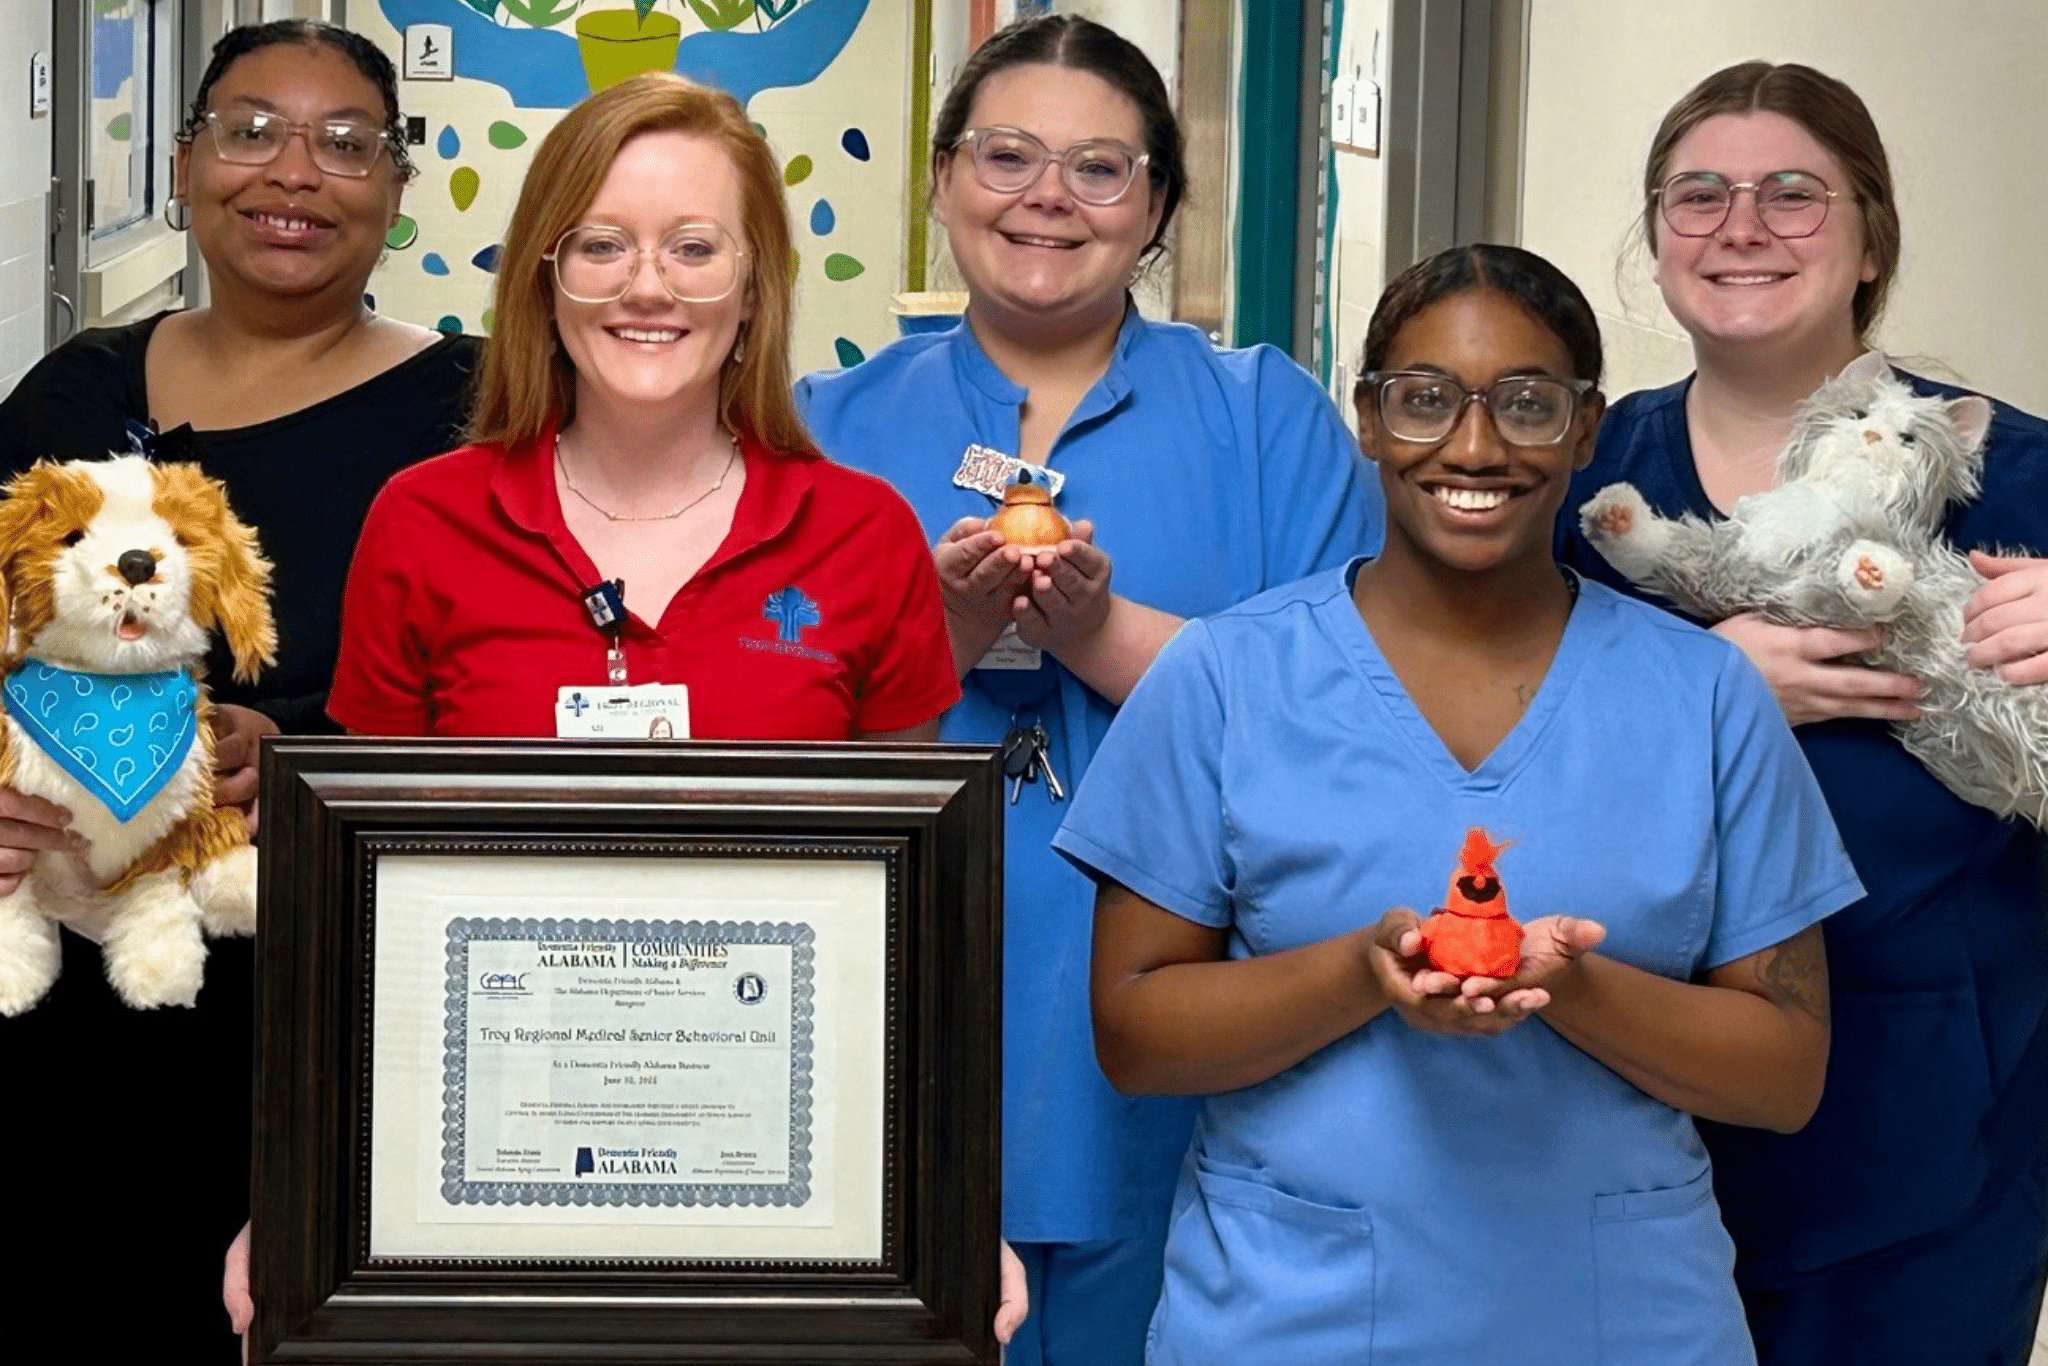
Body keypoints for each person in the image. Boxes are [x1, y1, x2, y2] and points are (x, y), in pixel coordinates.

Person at [1055, 243, 1863, 1364]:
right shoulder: (1222, 681)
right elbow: (1133, 1034)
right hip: (1291, 1321)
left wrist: (1566, 982)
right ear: (1369, 420)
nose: (1473, 446)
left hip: (1619, 1322)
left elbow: (1783, 1074)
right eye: (1424, 400)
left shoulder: (1705, 696)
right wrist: (1360, 973)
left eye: (1526, 405)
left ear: (1584, 431)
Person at [794, 15, 1383, 1360]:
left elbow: (1347, 719)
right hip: (891, 1026)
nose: (1049, 196)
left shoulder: (1261, 417)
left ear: (1161, 204)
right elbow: (781, 723)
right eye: (1008, 155)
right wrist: (935, 631)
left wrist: (1099, 630)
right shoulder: (825, 423)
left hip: (1185, 1034)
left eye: (1103, 168)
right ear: (942, 181)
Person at [1556, 62, 2048, 1364]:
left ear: (1872, 232)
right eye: (1698, 193)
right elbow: (1459, 740)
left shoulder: (2017, 470)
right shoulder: (1582, 484)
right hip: (1606, 1118)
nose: (1742, 226)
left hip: (1927, 1153)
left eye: (1793, 193)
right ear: (1655, 235)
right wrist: (1710, 694)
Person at [0, 20, 475, 1359]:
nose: (294, 173)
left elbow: (508, 693)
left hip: (335, 996)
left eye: (345, 143)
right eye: (252, 129)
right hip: (78, 988)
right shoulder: (74, 395)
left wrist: (312, 754)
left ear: (396, 182)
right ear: (189, 158)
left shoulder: (474, 414)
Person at [323, 74, 954, 744]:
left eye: (694, 249)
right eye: (602, 246)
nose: (648, 288)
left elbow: (900, 841)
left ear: (751, 290)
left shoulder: (867, 535)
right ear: (546, 282)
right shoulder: (422, 525)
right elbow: (377, 837)